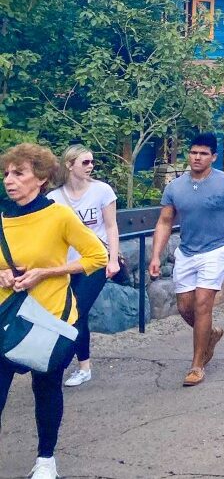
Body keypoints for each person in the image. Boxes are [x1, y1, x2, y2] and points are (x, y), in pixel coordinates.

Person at [1, 144, 108, 479]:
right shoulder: (1, 216)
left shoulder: (58, 215)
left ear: (42, 178)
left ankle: (46, 459)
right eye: (7, 173)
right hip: (5, 319)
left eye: (19, 173)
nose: (9, 180)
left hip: (48, 318)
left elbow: (97, 257)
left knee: (45, 388)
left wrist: (46, 272)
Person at [148, 133, 224, 388]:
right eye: (193, 152)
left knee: (203, 304)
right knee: (185, 307)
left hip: (217, 249)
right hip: (187, 251)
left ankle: (196, 364)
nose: (197, 157)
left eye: (203, 153)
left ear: (213, 157)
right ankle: (210, 335)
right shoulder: (175, 187)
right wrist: (156, 256)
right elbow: (165, 221)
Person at [48, 145, 120, 388]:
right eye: (85, 163)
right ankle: (84, 366)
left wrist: (113, 259)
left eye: (92, 162)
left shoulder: (102, 191)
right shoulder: (54, 198)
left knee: (76, 311)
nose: (91, 166)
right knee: (77, 314)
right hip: (67, 264)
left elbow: (111, 226)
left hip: (95, 262)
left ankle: (60, 363)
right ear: (69, 165)